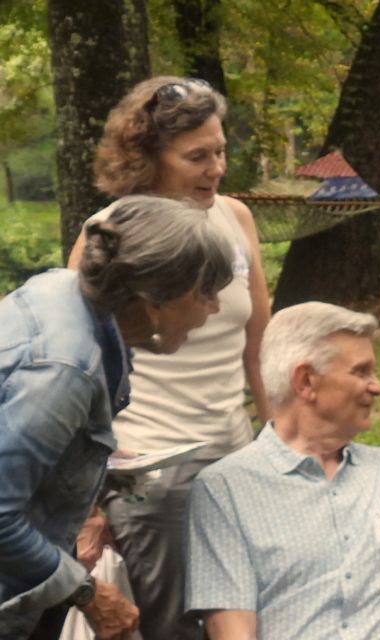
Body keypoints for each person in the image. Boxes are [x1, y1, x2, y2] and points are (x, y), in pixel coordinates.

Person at [66, 76, 272, 639]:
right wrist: (89, 504)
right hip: (153, 474)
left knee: (243, 615)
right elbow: (77, 374)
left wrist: (278, 444)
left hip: (237, 456)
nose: (216, 168)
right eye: (197, 157)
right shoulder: (107, 234)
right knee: (178, 628)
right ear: (148, 161)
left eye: (221, 151)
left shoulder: (236, 219)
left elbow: (260, 346)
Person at [0, 195, 234, 639]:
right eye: (207, 293)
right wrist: (88, 594)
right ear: (154, 301)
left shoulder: (64, 291)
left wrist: (95, 462)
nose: (216, 308)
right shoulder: (64, 371)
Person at [184, 302, 380, 639]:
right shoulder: (226, 488)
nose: (378, 387)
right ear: (305, 381)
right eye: (362, 372)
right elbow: (232, 629)